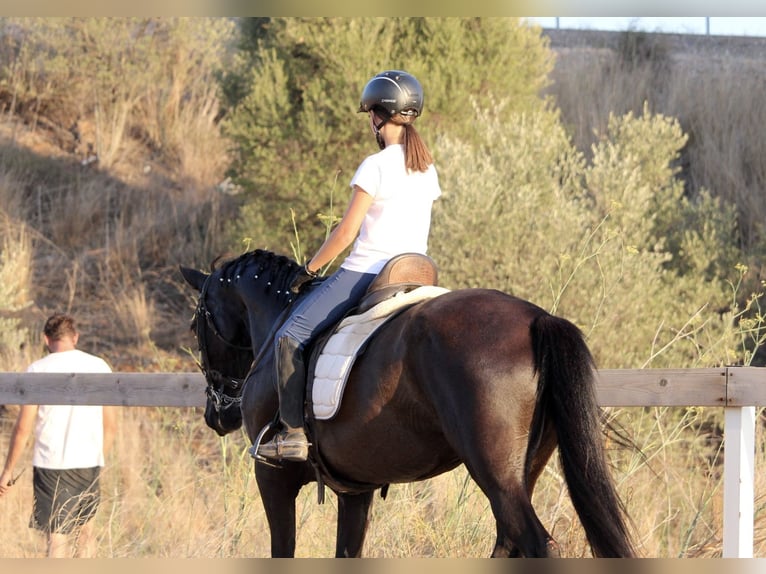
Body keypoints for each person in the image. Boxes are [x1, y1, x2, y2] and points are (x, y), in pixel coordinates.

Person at [257, 69, 442, 462]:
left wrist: (308, 269)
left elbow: (344, 234)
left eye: (370, 113)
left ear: (377, 115)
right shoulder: (427, 168)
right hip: (416, 271)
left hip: (368, 271)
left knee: (290, 336)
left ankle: (291, 435)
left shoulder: (375, 165)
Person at [0, 313, 117, 558]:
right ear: (75, 337)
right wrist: (99, 458)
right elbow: (111, 425)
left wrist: (8, 471)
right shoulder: (99, 366)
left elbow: (23, 429)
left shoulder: (37, 370)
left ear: (45, 339)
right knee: (86, 533)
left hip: (51, 464)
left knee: (56, 538)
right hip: (88, 461)